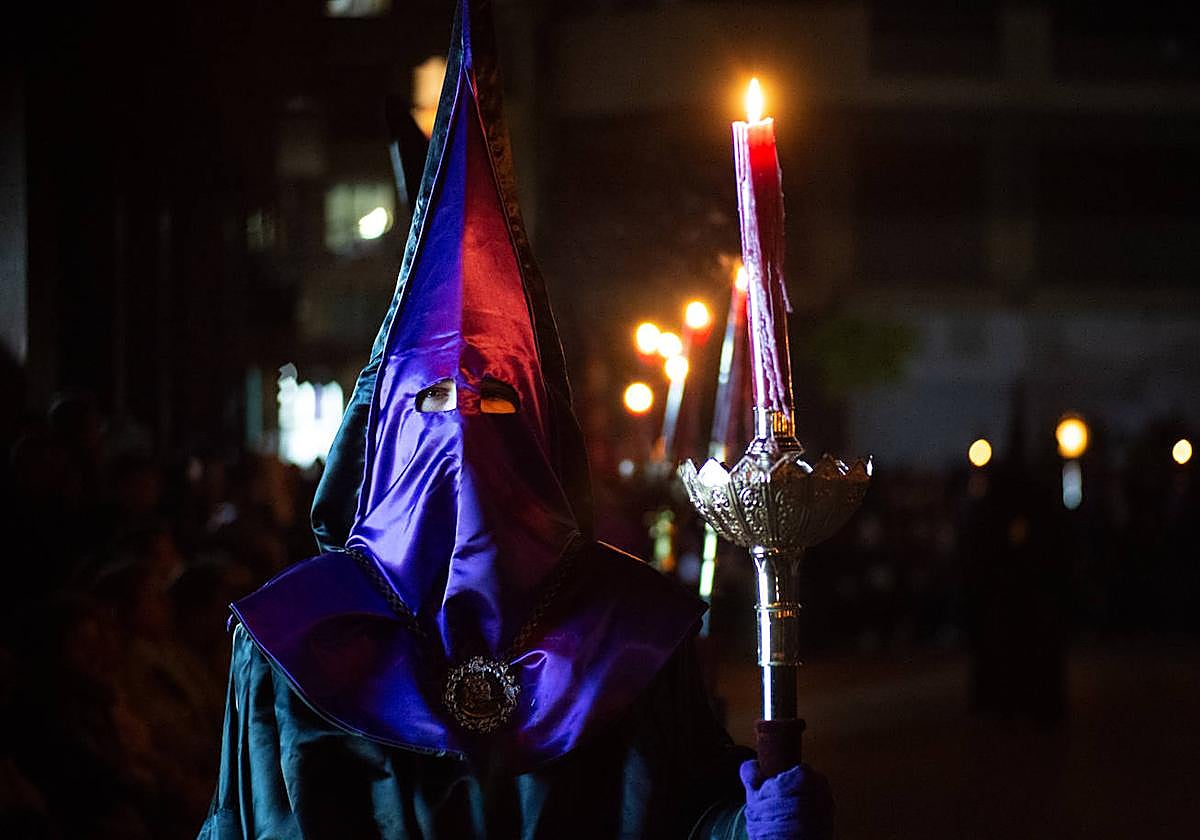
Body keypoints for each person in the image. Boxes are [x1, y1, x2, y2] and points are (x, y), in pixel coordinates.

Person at [198, 3, 831, 837]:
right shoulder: (296, 641)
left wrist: (752, 827)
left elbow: (689, 815)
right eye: (431, 402)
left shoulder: (630, 630)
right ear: (382, 433)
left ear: (541, 428)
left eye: (496, 401)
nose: (463, 431)